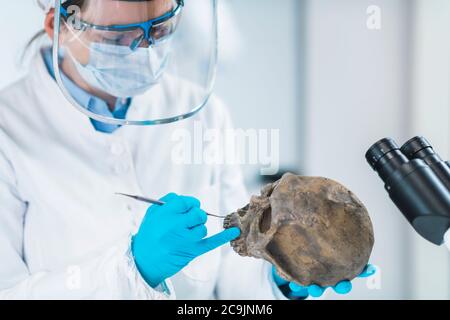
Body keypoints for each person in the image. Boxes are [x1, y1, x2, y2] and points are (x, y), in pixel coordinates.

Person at [0, 0, 374, 299]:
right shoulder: (8, 130)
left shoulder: (203, 113)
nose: (143, 51)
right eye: (118, 38)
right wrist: (134, 269)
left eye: (159, 30)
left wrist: (277, 278)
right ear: (58, 27)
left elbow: (232, 268)